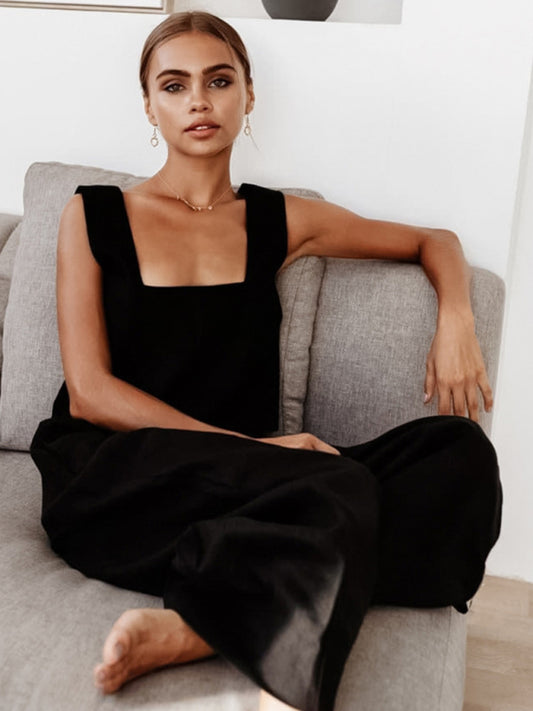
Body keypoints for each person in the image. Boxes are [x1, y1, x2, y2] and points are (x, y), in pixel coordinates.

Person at [29, 11, 502, 711]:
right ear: (149, 106)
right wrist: (258, 449)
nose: (198, 100)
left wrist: (455, 319)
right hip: (122, 474)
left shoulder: (278, 219)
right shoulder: (94, 214)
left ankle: (199, 626)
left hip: (253, 484)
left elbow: (433, 240)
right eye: (174, 85)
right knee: (336, 488)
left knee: (459, 454)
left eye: (218, 81)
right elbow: (91, 393)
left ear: (248, 95)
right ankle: (278, 649)